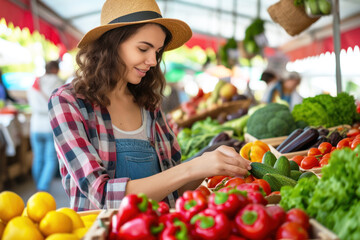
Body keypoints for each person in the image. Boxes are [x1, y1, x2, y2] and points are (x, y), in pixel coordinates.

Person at [48, 0, 251, 211]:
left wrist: (210, 165)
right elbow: (103, 195)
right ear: (111, 44)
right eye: (143, 48)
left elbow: (171, 188)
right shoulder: (67, 103)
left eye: (157, 51)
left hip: (157, 229)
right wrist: (193, 167)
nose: (153, 61)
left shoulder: (148, 104)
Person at [27, 60, 64, 191]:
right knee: (50, 159)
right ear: (55, 69)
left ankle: (37, 186)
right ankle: (42, 188)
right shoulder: (58, 82)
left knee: (38, 157)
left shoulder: (35, 82)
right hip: (50, 124)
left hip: (35, 124)